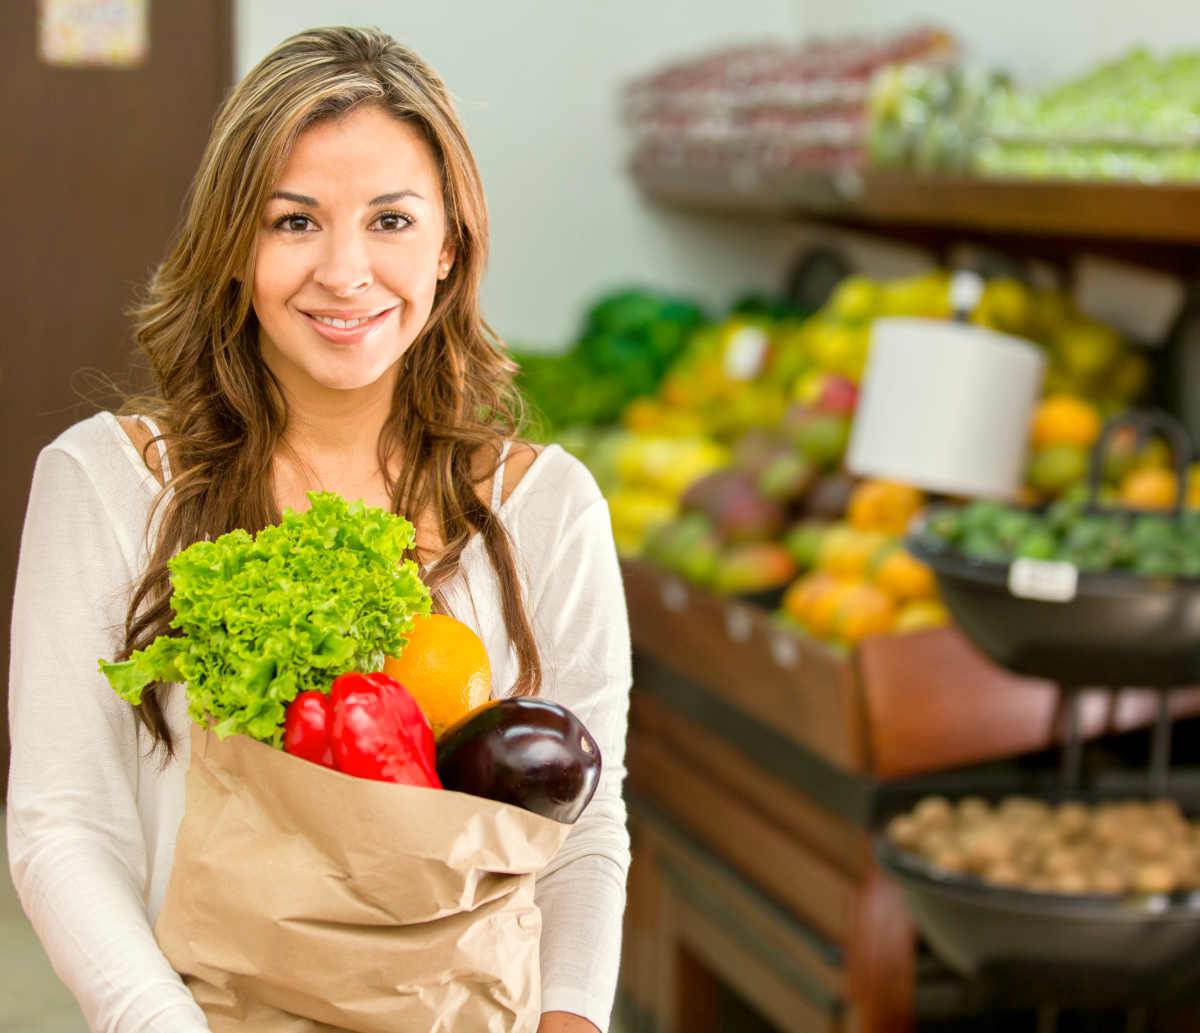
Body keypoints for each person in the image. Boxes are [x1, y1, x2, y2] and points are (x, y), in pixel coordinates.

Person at [7, 26, 631, 1033]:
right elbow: (61, 823)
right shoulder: (108, 484)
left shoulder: (546, 506)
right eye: (293, 222)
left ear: (448, 247)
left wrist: (571, 1021)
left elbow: (586, 825)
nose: (345, 271)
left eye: (390, 219)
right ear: (234, 248)